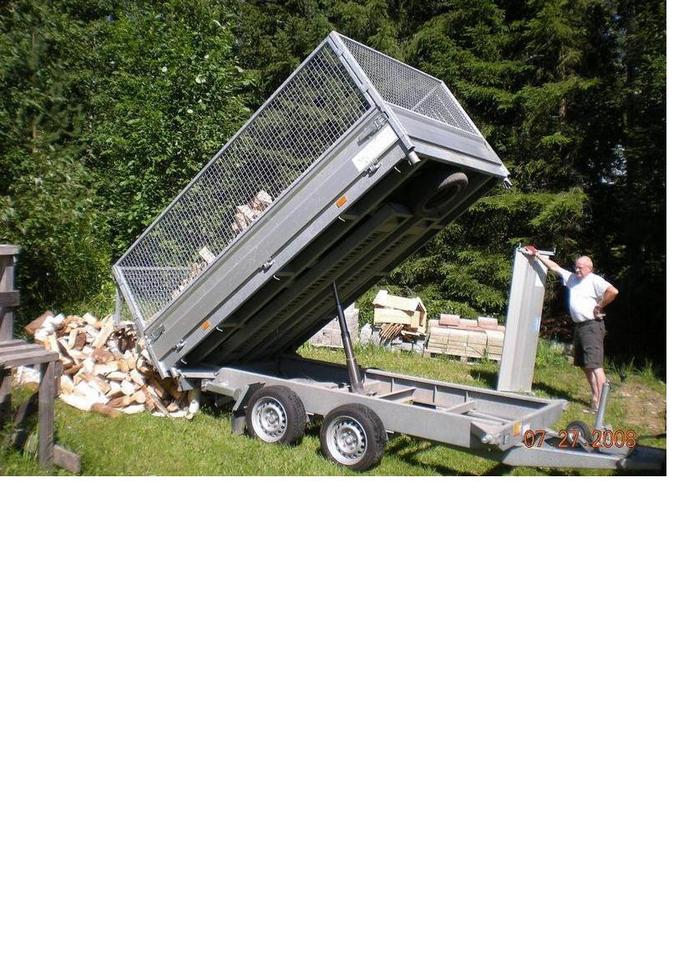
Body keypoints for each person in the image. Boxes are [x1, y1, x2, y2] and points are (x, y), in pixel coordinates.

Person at [523, 246, 619, 411]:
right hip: (580, 326)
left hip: (592, 326)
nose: (577, 269)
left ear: (589, 268)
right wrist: (537, 254)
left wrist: (600, 305)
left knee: (595, 365)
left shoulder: (595, 280)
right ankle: (595, 396)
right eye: (576, 267)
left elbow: (613, 291)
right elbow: (555, 267)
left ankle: (600, 405)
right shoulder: (572, 278)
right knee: (584, 364)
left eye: (580, 267)